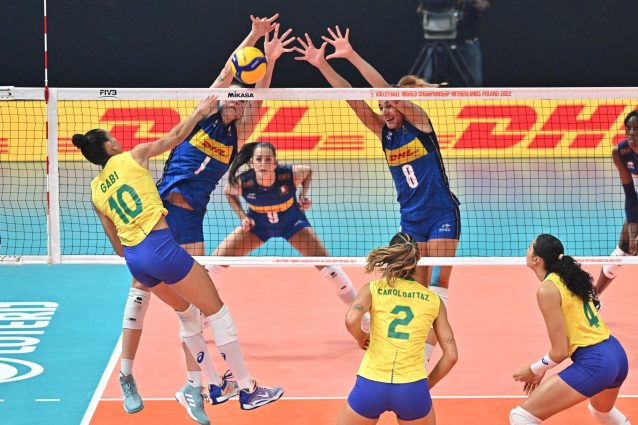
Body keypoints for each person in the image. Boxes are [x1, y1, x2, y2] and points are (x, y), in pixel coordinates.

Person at [114, 14, 294, 423]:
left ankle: (202, 384)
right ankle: (137, 374)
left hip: (194, 217)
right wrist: (253, 35)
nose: (236, 99)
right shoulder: (205, 110)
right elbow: (229, 70)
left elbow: (259, 96)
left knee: (191, 310)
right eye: (232, 95)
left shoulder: (237, 134)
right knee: (147, 292)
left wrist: (269, 61)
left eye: (241, 99)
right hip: (166, 207)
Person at [72, 95, 283, 423]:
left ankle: (198, 384)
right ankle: (247, 389)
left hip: (136, 257)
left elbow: (118, 248)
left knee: (186, 314)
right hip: (163, 246)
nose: (237, 106)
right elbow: (174, 137)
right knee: (216, 311)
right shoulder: (135, 155)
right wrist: (199, 111)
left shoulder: (96, 190)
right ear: (111, 146)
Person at [294, 27, 460, 362]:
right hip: (411, 221)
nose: (385, 110)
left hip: (442, 214)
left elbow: (387, 90)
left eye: (389, 105)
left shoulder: (420, 125)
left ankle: (426, 357)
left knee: (438, 287)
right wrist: (322, 65)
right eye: (382, 107)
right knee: (417, 290)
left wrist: (351, 54)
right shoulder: (384, 134)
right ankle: (413, 351)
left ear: (403, 106)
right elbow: (352, 98)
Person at [212, 141, 369, 329]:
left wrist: (303, 195)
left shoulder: (289, 175)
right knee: (213, 265)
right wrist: (243, 217)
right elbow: (228, 192)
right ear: (252, 163)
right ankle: (206, 315)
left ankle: (364, 319)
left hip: (292, 224)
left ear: (275, 162)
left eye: (268, 159)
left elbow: (308, 171)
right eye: (259, 159)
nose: (263, 163)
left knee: (330, 268)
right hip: (258, 226)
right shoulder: (244, 182)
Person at [338, 232, 457, 425]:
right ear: (418, 258)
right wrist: (424, 386)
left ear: (391, 255)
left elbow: (351, 320)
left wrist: (361, 337)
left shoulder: (374, 288)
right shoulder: (433, 300)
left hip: (371, 385)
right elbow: (451, 356)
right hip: (412, 388)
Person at [510, 234, 630, 424]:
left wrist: (533, 369)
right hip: (616, 354)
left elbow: (560, 351)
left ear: (536, 259)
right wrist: (543, 369)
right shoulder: (570, 278)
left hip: (596, 363)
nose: (527, 249)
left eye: (530, 246)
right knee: (601, 413)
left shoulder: (547, 289)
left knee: (521, 416)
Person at [595, 110, 638, 298]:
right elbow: (630, 194)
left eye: (637, 129)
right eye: (628, 128)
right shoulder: (620, 152)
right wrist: (634, 228)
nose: (631, 133)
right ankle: (593, 299)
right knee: (626, 244)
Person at [418, 0, 489, 87]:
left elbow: (484, 5)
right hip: (438, 37)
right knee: (428, 83)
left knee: (474, 84)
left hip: (467, 38)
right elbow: (421, 8)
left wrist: (480, 3)